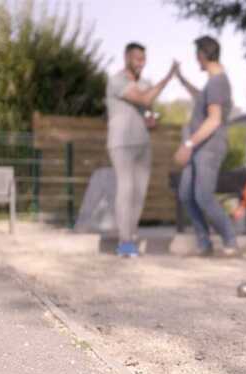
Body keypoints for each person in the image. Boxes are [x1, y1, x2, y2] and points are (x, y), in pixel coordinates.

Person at [106, 42, 177, 257]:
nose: (141, 63)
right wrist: (169, 77)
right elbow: (145, 98)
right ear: (127, 57)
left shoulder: (145, 82)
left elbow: (147, 108)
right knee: (126, 190)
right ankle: (125, 242)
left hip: (142, 143)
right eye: (137, 59)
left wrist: (150, 120)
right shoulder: (117, 80)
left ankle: (131, 236)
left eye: (143, 59)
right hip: (122, 143)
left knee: (139, 194)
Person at [172, 35, 239, 257]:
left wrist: (188, 144)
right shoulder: (212, 83)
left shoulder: (218, 81)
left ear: (202, 55)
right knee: (186, 195)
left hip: (208, 148)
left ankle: (230, 240)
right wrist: (181, 78)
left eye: (197, 56)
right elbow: (200, 97)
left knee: (203, 196)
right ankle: (204, 242)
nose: (196, 61)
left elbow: (214, 119)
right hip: (198, 148)